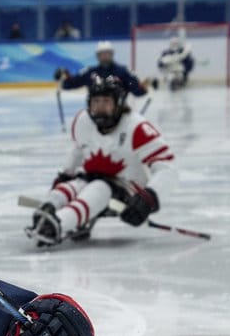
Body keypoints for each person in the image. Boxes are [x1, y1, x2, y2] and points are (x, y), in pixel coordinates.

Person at [26, 75, 176, 247]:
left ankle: (59, 223)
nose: (99, 107)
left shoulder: (137, 127)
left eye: (106, 101)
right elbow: (78, 151)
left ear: (119, 103)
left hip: (127, 188)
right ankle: (47, 211)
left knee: (99, 188)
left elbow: (167, 168)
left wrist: (149, 198)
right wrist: (64, 178)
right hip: (91, 177)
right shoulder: (82, 121)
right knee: (72, 186)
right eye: (95, 101)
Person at [56, 40, 147, 98]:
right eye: (102, 54)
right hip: (95, 113)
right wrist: (63, 75)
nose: (105, 56)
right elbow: (69, 84)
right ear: (97, 56)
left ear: (112, 54)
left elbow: (138, 91)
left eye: (107, 53)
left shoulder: (123, 71)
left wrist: (142, 87)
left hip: (119, 114)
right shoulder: (90, 72)